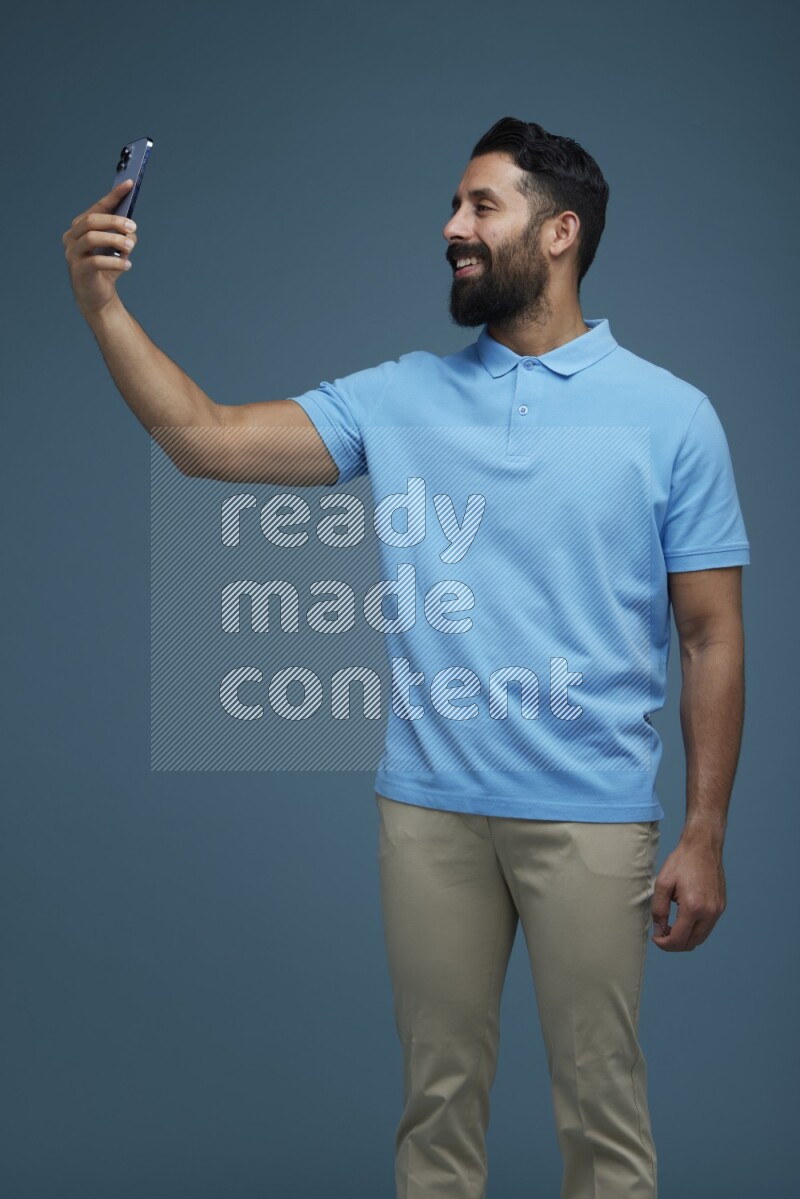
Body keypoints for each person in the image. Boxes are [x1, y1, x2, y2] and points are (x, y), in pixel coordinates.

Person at [63, 116, 749, 1199]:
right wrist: (102, 304)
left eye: (481, 206)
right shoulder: (395, 397)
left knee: (604, 1117)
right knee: (436, 1115)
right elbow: (203, 440)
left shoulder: (673, 417)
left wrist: (703, 831)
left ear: (560, 232)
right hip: (429, 815)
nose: (451, 227)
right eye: (452, 205)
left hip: (593, 815)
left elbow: (710, 632)